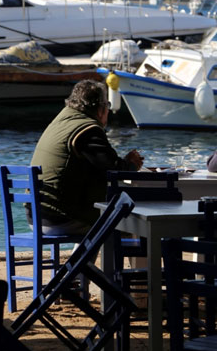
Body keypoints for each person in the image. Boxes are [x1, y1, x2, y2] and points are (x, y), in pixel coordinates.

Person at [30, 79, 143, 235]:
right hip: (60, 217)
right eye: (107, 106)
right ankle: (136, 258)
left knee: (105, 212)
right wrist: (131, 164)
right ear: (101, 108)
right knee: (130, 223)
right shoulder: (88, 130)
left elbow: (100, 165)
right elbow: (114, 170)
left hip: (37, 216)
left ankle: (84, 259)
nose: (108, 111)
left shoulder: (61, 121)